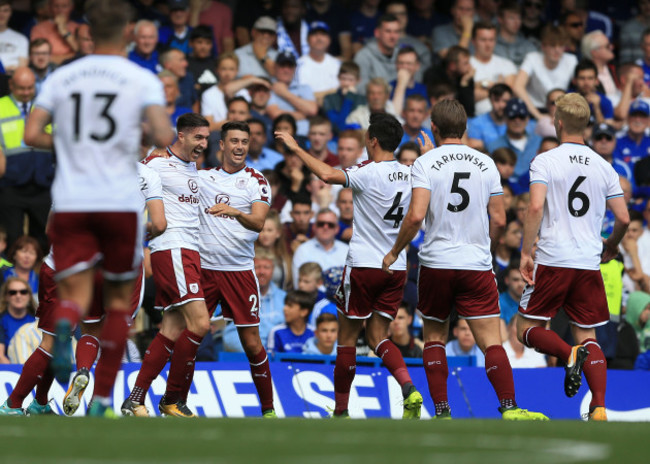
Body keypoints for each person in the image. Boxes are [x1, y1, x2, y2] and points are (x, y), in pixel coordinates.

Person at [23, 0, 174, 418]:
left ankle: (66, 326)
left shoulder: (62, 76)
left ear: (87, 31)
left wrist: (74, 141)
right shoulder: (141, 78)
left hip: (73, 200)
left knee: (75, 295)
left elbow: (32, 134)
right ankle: (103, 400)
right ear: (127, 33)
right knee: (118, 306)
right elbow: (162, 133)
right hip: (119, 206)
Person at [383, 98, 548, 421]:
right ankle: (510, 408)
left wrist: (395, 249)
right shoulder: (486, 163)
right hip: (475, 263)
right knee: (491, 341)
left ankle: (442, 410)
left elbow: (416, 215)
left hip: (436, 263)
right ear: (466, 128)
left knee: (434, 337)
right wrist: (486, 249)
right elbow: (499, 219)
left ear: (433, 127)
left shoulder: (425, 163)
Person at [276, 112, 424, 420]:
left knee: (347, 339)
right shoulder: (412, 171)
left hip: (364, 265)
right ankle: (409, 388)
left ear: (372, 141)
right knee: (379, 337)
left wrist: (296, 148)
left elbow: (328, 176)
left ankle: (341, 411)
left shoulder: (367, 171)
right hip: (396, 267)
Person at [517, 93, 631, 422]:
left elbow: (536, 206)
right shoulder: (604, 166)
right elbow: (623, 218)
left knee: (524, 329)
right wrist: (611, 245)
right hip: (587, 260)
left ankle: (569, 353)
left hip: (553, 258)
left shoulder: (545, 160)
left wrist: (526, 251)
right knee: (589, 335)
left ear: (559, 122)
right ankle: (598, 407)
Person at [121, 113, 209, 419]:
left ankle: (135, 399)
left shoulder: (193, 168)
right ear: (181, 136)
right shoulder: (154, 164)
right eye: (198, 137)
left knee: (172, 328)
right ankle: (173, 398)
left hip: (189, 252)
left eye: (206, 138)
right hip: (172, 249)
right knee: (200, 324)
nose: (203, 144)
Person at [199, 120, 277, 418]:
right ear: (221, 144)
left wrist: (234, 211)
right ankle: (175, 400)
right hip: (204, 270)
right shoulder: (203, 178)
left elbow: (258, 222)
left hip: (239, 272)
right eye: (234, 141)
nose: (240, 147)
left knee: (251, 342)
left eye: (244, 141)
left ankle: (268, 409)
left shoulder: (256, 180)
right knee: (189, 335)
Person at [0, 66, 53, 254]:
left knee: (45, 240)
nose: (26, 92)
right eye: (22, 88)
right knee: (13, 240)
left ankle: (40, 281)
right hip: (10, 185)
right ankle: (11, 281)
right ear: (11, 85)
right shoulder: (1, 107)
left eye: (30, 88)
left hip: (43, 183)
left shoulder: (45, 107)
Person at [513, 25, 578, 120]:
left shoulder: (571, 60)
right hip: (534, 110)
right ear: (543, 46)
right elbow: (517, 87)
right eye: (552, 45)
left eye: (561, 46)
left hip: (561, 111)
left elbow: (580, 85)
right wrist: (538, 115)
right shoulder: (532, 58)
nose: (557, 50)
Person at [291, 208, 349, 286]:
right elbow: (299, 286)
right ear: (314, 227)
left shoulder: (347, 251)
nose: (325, 227)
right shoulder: (302, 251)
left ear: (337, 229)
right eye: (321, 224)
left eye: (330, 225)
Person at [353, 14, 401, 94]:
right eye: (388, 31)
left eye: (396, 32)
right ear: (377, 33)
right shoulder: (363, 57)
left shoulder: (402, 55)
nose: (393, 36)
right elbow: (360, 89)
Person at [296, 21, 341, 106]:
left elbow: (344, 92)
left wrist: (317, 96)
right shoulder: (297, 65)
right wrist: (331, 93)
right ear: (307, 39)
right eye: (315, 34)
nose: (319, 38)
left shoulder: (338, 64)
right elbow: (298, 96)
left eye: (323, 34)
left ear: (329, 40)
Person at [0, 277, 36, 364]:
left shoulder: (38, 320)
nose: (18, 296)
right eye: (13, 292)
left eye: (23, 292)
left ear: (29, 296)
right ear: (6, 297)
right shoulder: (1, 320)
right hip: (10, 371)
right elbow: (0, 356)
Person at [30, 0, 78, 65]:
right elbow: (39, 57)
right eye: (56, 6)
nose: (60, 10)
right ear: (50, 7)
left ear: (72, 7)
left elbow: (83, 53)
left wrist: (64, 31)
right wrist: (73, 57)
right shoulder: (39, 28)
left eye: (64, 6)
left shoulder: (78, 27)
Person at [256, 210, 292, 290]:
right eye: (262, 230)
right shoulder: (250, 256)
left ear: (278, 233)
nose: (265, 234)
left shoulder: (285, 259)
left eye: (269, 230)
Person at [0, 0, 29, 73]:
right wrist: (7, 69)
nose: (1, 14)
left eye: (5, 10)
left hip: (13, 79)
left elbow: (22, 67)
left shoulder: (21, 39)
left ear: (10, 13)